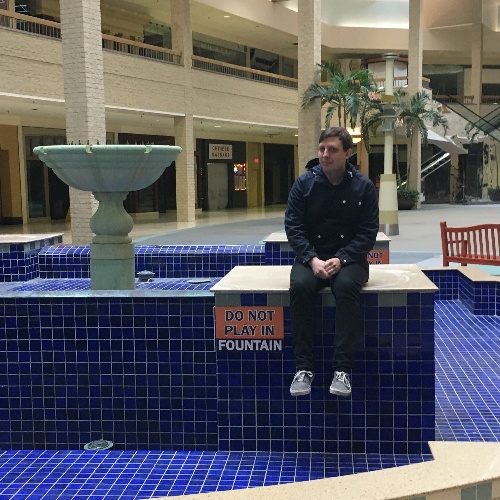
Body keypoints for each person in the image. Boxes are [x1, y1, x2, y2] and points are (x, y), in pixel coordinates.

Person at [285, 126, 379, 397]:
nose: (325, 154)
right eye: (322, 149)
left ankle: (342, 370)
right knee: (300, 286)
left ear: (348, 153)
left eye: (333, 150)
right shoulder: (304, 184)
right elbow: (294, 227)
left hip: (350, 260)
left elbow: (367, 232)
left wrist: (342, 258)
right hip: (311, 257)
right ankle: (304, 368)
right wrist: (311, 259)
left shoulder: (363, 187)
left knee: (347, 287)